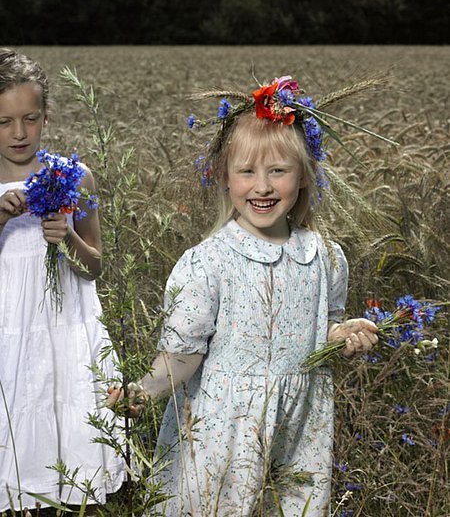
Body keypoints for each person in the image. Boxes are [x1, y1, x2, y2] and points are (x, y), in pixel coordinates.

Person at [108, 76, 379, 515]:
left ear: (305, 175)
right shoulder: (208, 263)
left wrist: (343, 333)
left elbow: (320, 329)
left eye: (278, 171)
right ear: (225, 177)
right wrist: (143, 391)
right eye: (247, 171)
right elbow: (183, 354)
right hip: (221, 433)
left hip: (299, 430)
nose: (263, 186)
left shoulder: (326, 257)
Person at [0, 49, 124, 514]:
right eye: (4, 122)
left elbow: (95, 268)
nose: (18, 133)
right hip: (8, 335)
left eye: (29, 119)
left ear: (46, 116)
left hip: (65, 330)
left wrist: (68, 237)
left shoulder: (75, 177)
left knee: (68, 431)